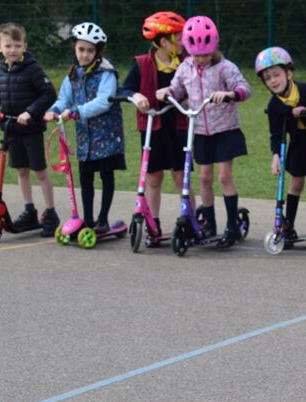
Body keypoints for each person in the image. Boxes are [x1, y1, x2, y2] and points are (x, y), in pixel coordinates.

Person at [156, 15, 251, 248]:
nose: (201, 59)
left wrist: (230, 94)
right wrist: (166, 92)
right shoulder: (185, 68)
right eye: (196, 55)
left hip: (225, 129)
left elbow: (244, 88)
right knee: (204, 178)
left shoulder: (224, 67)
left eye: (206, 54)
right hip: (200, 130)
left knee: (224, 177)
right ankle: (209, 224)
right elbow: (177, 89)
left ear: (214, 47)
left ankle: (231, 227)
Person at [45, 22, 125, 234]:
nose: (85, 54)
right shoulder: (73, 73)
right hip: (85, 137)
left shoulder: (107, 72)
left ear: (97, 52)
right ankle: (88, 220)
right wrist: (54, 110)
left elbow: (104, 101)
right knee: (85, 177)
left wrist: (76, 112)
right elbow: (64, 99)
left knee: (106, 175)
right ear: (74, 48)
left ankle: (103, 219)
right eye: (81, 49)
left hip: (106, 135)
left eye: (90, 50)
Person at [118, 11, 188, 241]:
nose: (183, 42)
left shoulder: (186, 63)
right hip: (153, 126)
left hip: (179, 125)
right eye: (179, 38)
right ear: (164, 42)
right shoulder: (142, 63)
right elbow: (124, 89)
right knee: (153, 177)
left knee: (181, 177)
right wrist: (136, 96)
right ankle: (152, 224)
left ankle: (188, 220)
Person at [0, 22, 59, 237]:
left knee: (39, 171)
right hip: (11, 129)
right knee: (21, 170)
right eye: (8, 46)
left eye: (17, 46)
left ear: (25, 46)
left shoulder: (32, 68)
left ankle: (51, 214)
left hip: (31, 129)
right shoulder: (0, 69)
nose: (13, 50)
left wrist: (30, 112)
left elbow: (49, 94)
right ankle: (30, 211)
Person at [255, 46, 306, 239]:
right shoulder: (274, 106)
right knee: (296, 182)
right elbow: (275, 134)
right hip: (298, 144)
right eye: (268, 78)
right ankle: (288, 226)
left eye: (276, 75)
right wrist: (275, 155)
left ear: (288, 74)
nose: (273, 81)